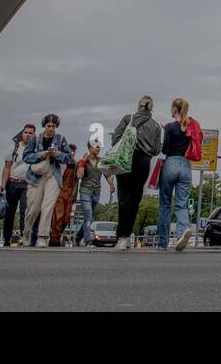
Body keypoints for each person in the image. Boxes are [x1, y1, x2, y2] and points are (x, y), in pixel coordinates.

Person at [111, 96, 163, 249]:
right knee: (135, 199)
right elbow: (156, 149)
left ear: (138, 105)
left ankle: (121, 236)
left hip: (125, 158)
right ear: (151, 107)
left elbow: (115, 137)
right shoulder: (156, 126)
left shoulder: (128, 119)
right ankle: (127, 236)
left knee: (123, 197)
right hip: (143, 162)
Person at [157, 98, 202, 251]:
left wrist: (166, 131)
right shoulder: (192, 126)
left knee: (164, 204)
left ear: (175, 109)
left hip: (170, 164)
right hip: (185, 165)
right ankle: (183, 233)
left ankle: (162, 243)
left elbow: (165, 149)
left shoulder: (170, 127)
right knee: (181, 205)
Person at [22, 114, 71, 247]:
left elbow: (68, 157)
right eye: (48, 126)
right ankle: (26, 233)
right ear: (44, 125)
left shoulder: (61, 139)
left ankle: (42, 237)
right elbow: (26, 156)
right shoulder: (35, 139)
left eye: (53, 126)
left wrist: (57, 154)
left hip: (53, 174)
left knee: (47, 207)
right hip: (36, 175)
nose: (51, 129)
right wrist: (41, 154)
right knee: (33, 208)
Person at [1, 124, 35, 246]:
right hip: (13, 182)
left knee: (24, 212)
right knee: (9, 212)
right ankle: (6, 238)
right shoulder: (14, 148)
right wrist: (3, 185)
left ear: (34, 135)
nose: (28, 135)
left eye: (30, 133)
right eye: (26, 132)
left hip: (27, 184)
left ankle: (23, 236)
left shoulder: (35, 150)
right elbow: (6, 168)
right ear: (22, 133)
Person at [76, 141, 112, 246]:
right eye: (96, 147)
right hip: (85, 192)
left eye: (99, 147)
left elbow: (107, 175)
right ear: (90, 148)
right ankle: (88, 242)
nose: (98, 149)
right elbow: (79, 175)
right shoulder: (83, 161)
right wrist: (83, 162)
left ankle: (78, 237)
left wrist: (111, 185)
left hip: (96, 192)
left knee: (90, 218)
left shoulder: (101, 161)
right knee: (88, 216)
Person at [50, 142, 78, 246]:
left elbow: (76, 180)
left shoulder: (75, 164)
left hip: (70, 194)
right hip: (59, 193)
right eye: (70, 152)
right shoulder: (61, 163)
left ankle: (57, 236)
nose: (72, 154)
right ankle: (54, 240)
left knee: (66, 218)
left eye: (73, 152)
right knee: (58, 217)